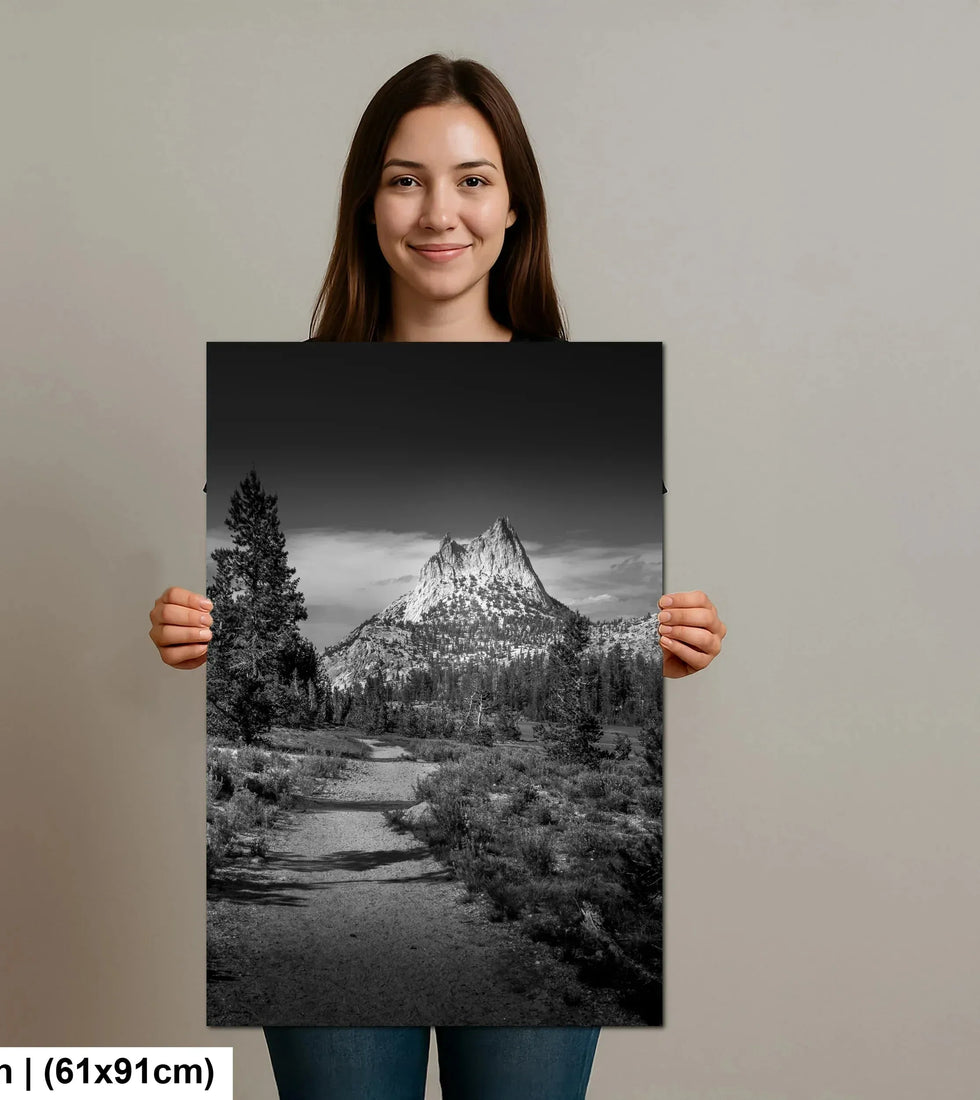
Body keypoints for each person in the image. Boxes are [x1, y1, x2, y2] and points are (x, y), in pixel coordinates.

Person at [148, 53, 726, 1100]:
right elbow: (209, 636)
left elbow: (655, 651)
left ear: (515, 208)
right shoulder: (270, 387)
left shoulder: (612, 395)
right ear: (366, 203)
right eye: (404, 177)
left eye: (471, 178)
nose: (437, 212)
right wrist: (189, 628)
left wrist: (671, 641)